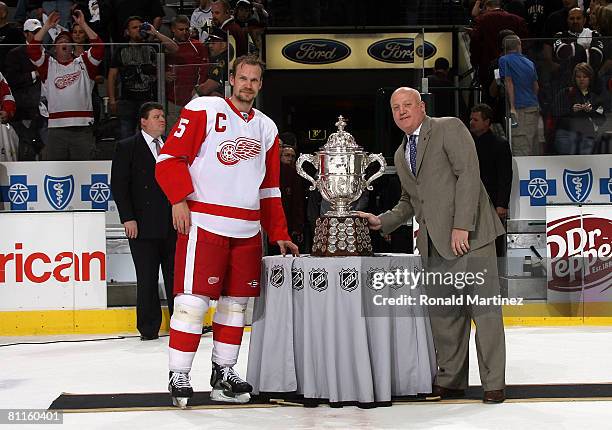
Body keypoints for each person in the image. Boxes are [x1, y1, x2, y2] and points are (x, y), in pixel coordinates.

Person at [155, 54, 298, 407]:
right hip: (204, 222)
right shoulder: (204, 108)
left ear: (260, 85)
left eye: (255, 80)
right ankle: (180, 373)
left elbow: (269, 188)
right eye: (243, 78)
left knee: (235, 306)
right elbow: (170, 159)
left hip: (248, 229)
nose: (248, 84)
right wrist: (178, 200)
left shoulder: (267, 127)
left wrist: (278, 231)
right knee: (191, 303)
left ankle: (224, 372)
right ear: (232, 79)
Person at [357, 87, 507, 404]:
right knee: (445, 317)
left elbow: (468, 174)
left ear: (421, 106)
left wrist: (461, 226)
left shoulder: (448, 127)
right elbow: (410, 201)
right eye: (396, 107)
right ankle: (451, 380)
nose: (401, 111)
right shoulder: (400, 154)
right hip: (434, 243)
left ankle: (494, 383)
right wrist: (382, 221)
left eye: (407, 105)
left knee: (485, 313)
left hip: (472, 236)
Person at [110, 102, 176, 341]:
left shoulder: (172, 146)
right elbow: (119, 185)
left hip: (172, 224)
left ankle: (181, 324)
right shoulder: (127, 147)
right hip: (142, 225)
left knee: (175, 277)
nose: (162, 120)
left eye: (162, 116)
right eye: (156, 117)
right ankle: (148, 328)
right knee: (147, 277)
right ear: (143, 121)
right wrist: (128, 217)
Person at [27, 10, 103, 160]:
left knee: (84, 170)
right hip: (56, 129)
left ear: (72, 46)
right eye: (60, 41)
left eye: (67, 41)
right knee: (56, 172)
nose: (63, 42)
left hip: (83, 128)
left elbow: (99, 47)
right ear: (54, 47)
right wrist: (47, 26)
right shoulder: (48, 65)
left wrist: (83, 24)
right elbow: (32, 49)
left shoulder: (84, 63)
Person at [107, 16, 178, 140]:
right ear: (127, 32)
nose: (138, 30)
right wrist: (112, 100)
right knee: (126, 136)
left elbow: (174, 48)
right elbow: (112, 76)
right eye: (134, 27)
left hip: (149, 100)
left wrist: (155, 32)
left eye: (140, 27)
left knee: (151, 136)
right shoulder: (121, 49)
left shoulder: (154, 46)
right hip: (127, 100)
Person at [469, 103, 513, 257]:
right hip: (472, 201)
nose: (471, 123)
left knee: (494, 240)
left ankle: (497, 275)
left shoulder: (500, 144)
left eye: (475, 120)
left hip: (493, 201)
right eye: (471, 119)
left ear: (487, 122)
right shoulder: (468, 144)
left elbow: (505, 176)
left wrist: (502, 204)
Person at [4, 18, 45, 160]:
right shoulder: (15, 54)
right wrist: (35, 74)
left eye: (39, 32)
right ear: (26, 34)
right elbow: (12, 79)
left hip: (45, 111)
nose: (37, 35)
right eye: (34, 33)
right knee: (27, 149)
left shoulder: (49, 54)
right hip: (25, 110)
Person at [165, 15, 209, 130]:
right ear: (173, 29)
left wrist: (197, 89)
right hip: (172, 98)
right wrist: (163, 74)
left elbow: (204, 70)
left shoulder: (198, 46)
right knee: (173, 133)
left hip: (193, 97)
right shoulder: (166, 47)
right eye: (181, 29)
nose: (184, 32)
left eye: (186, 29)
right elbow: (158, 67)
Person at [499, 34, 541, 155]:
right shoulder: (529, 62)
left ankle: (521, 174)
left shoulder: (504, 60)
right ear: (519, 45)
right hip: (533, 107)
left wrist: (512, 107)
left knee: (520, 146)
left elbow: (508, 82)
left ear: (504, 48)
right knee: (532, 144)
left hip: (519, 108)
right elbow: (536, 87)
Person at [553, 62, 605, 154]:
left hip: (587, 136)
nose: (581, 79)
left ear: (590, 78)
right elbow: (555, 112)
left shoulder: (595, 98)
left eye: (585, 77)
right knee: (568, 162)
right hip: (566, 135)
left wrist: (590, 111)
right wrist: (571, 110)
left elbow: (601, 121)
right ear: (574, 78)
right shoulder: (565, 93)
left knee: (584, 163)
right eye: (578, 76)